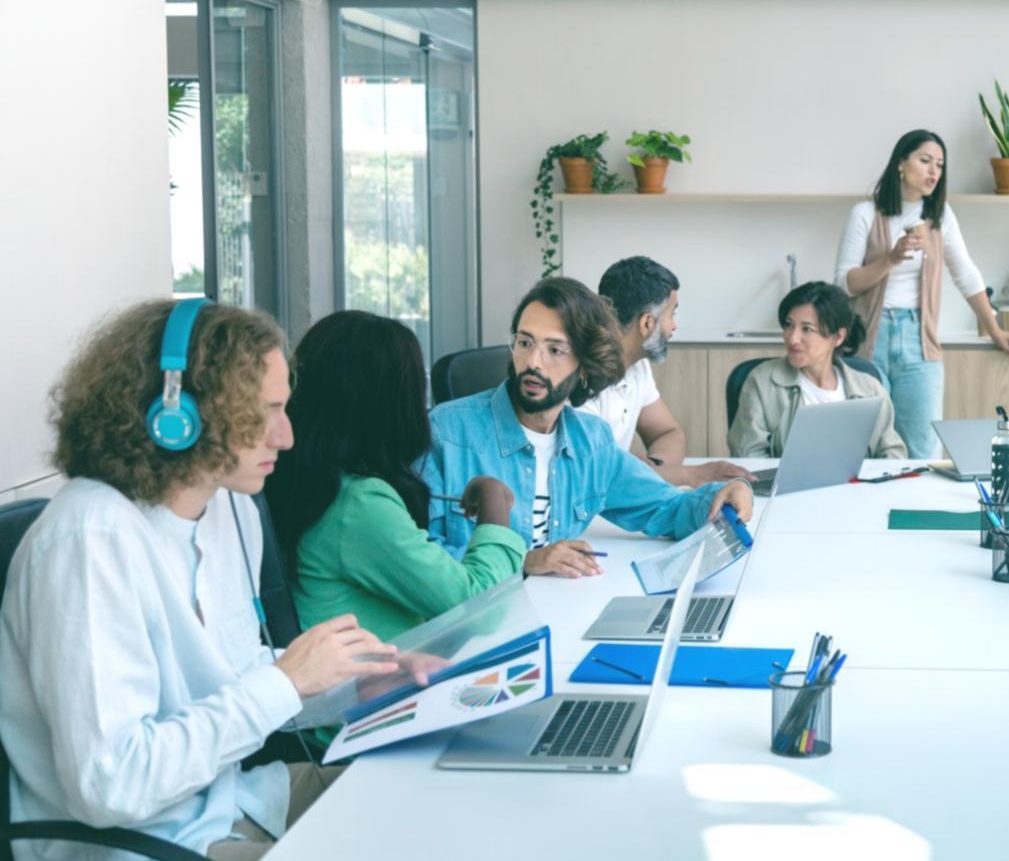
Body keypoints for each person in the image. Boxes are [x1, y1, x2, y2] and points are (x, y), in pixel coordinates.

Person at [0, 299, 399, 861]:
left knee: (425, 797)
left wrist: (369, 680)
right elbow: (111, 784)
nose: (286, 437)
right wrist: (285, 682)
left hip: (233, 803)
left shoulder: (230, 507)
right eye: (265, 412)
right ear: (178, 415)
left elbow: (236, 678)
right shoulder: (88, 542)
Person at [420, 278, 752, 565]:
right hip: (471, 625)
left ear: (584, 366)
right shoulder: (446, 433)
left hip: (553, 611)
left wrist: (724, 494)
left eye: (555, 350)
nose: (533, 361)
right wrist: (524, 561)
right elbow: (414, 555)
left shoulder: (591, 442)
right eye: (524, 343)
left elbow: (666, 509)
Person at [266, 311, 546, 648]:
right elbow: (481, 609)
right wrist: (495, 507)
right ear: (395, 405)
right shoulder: (358, 505)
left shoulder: (312, 480)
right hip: (376, 691)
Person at [835, 129, 1009, 458]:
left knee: (922, 448)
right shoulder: (865, 214)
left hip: (919, 341)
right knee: (864, 447)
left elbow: (966, 274)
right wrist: (891, 259)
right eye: (925, 161)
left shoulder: (940, 217)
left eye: (940, 165)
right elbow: (845, 283)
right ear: (901, 163)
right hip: (869, 339)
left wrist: (995, 330)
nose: (934, 171)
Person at [587, 255, 754, 485]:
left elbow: (668, 433)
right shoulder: (583, 380)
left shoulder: (638, 368)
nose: (674, 326)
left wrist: (654, 468)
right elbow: (596, 475)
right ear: (647, 323)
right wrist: (695, 475)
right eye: (671, 314)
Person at [729, 281, 907, 459]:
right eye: (789, 325)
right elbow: (749, 456)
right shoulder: (762, 382)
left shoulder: (871, 389)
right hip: (787, 487)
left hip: (858, 487)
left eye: (807, 329)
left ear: (838, 337)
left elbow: (893, 454)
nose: (792, 338)